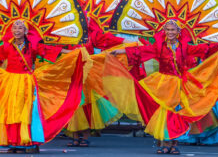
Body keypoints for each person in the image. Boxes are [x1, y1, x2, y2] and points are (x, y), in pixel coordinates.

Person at [112, 20, 218, 154]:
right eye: (168, 30)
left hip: (181, 85)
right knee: (166, 115)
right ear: (164, 32)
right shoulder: (159, 47)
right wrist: (119, 51)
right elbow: (139, 51)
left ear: (178, 32)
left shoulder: (185, 47)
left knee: (178, 115)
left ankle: (174, 144)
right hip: (163, 85)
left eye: (173, 30)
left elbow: (205, 48)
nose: (170, 32)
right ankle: (165, 143)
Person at [0, 20, 85, 154]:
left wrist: (70, 52)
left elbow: (48, 50)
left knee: (27, 113)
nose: (17, 30)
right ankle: (13, 142)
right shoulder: (6, 46)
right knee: (11, 112)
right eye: (14, 28)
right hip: (10, 82)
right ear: (11, 31)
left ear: (25, 32)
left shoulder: (32, 46)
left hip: (26, 82)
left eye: (20, 28)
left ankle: (26, 142)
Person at [66, 18, 132, 147]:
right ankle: (74, 135)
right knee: (73, 103)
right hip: (71, 71)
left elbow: (108, 40)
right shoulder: (68, 33)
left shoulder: (92, 35)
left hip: (87, 72)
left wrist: (129, 42)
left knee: (85, 103)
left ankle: (84, 136)